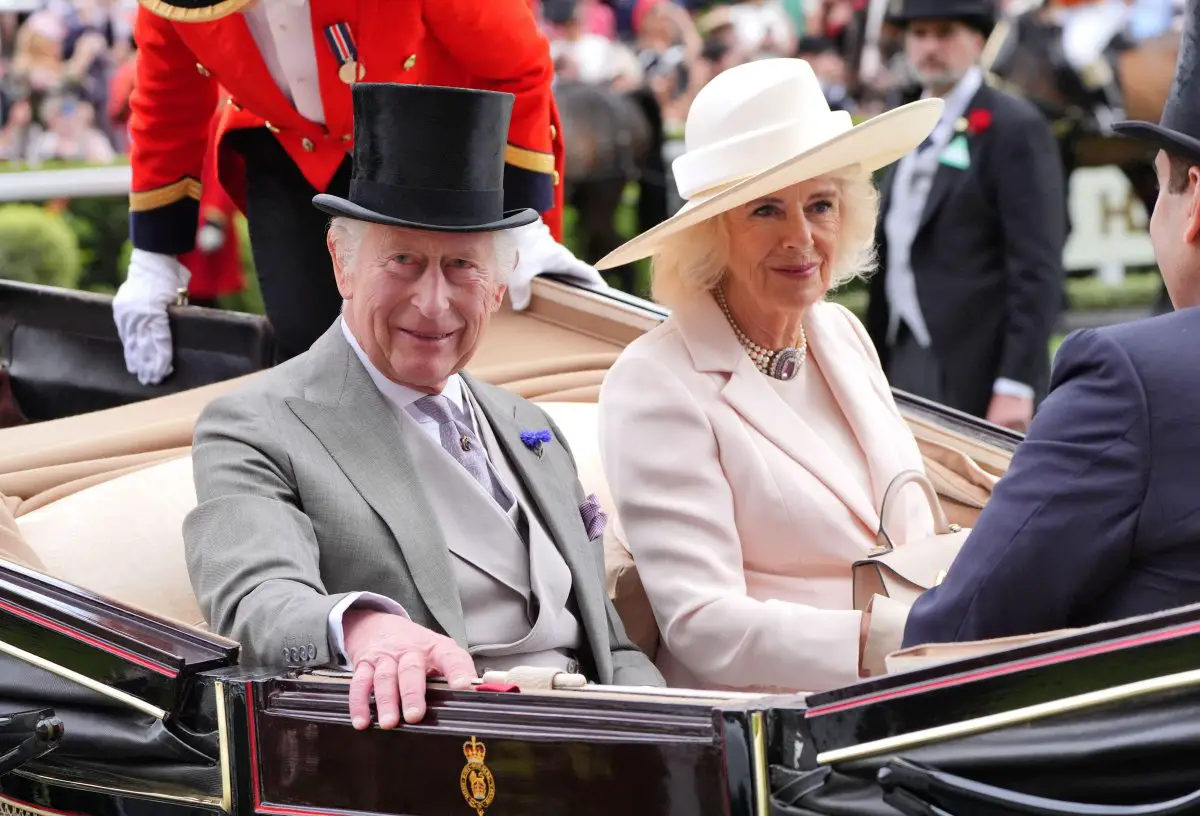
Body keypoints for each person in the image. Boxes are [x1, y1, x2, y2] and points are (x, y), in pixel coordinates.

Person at [183, 82, 663, 730]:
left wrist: (678, 736)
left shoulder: (530, 425)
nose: (433, 303)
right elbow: (257, 597)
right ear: (342, 265)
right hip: (440, 760)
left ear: (496, 288)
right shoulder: (255, 425)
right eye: (403, 262)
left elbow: (616, 650)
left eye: (462, 266)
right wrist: (364, 629)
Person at [594, 58, 943, 693]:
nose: (802, 238)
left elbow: (906, 529)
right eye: (765, 211)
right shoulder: (654, 383)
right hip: (777, 734)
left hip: (912, 686)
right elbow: (703, 624)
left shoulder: (838, 332)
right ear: (710, 234)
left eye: (820, 205)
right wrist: (896, 640)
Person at [902, 0, 1200, 648]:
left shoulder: (1131, 382)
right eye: (917, 33)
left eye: (1158, 190)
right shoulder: (914, 126)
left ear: (1194, 201)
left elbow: (958, 630)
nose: (926, 46)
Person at [113, 0, 602, 386]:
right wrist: (155, 258)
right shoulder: (170, 7)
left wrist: (519, 220)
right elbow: (167, 108)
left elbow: (517, 65)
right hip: (286, 146)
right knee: (310, 353)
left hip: (429, 126)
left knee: (444, 334)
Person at [865, 0, 1066, 430]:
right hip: (901, 352)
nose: (929, 46)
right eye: (919, 34)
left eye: (944, 32)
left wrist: (1015, 382)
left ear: (976, 39)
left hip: (981, 368)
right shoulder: (902, 125)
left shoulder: (1015, 126)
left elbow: (1037, 266)